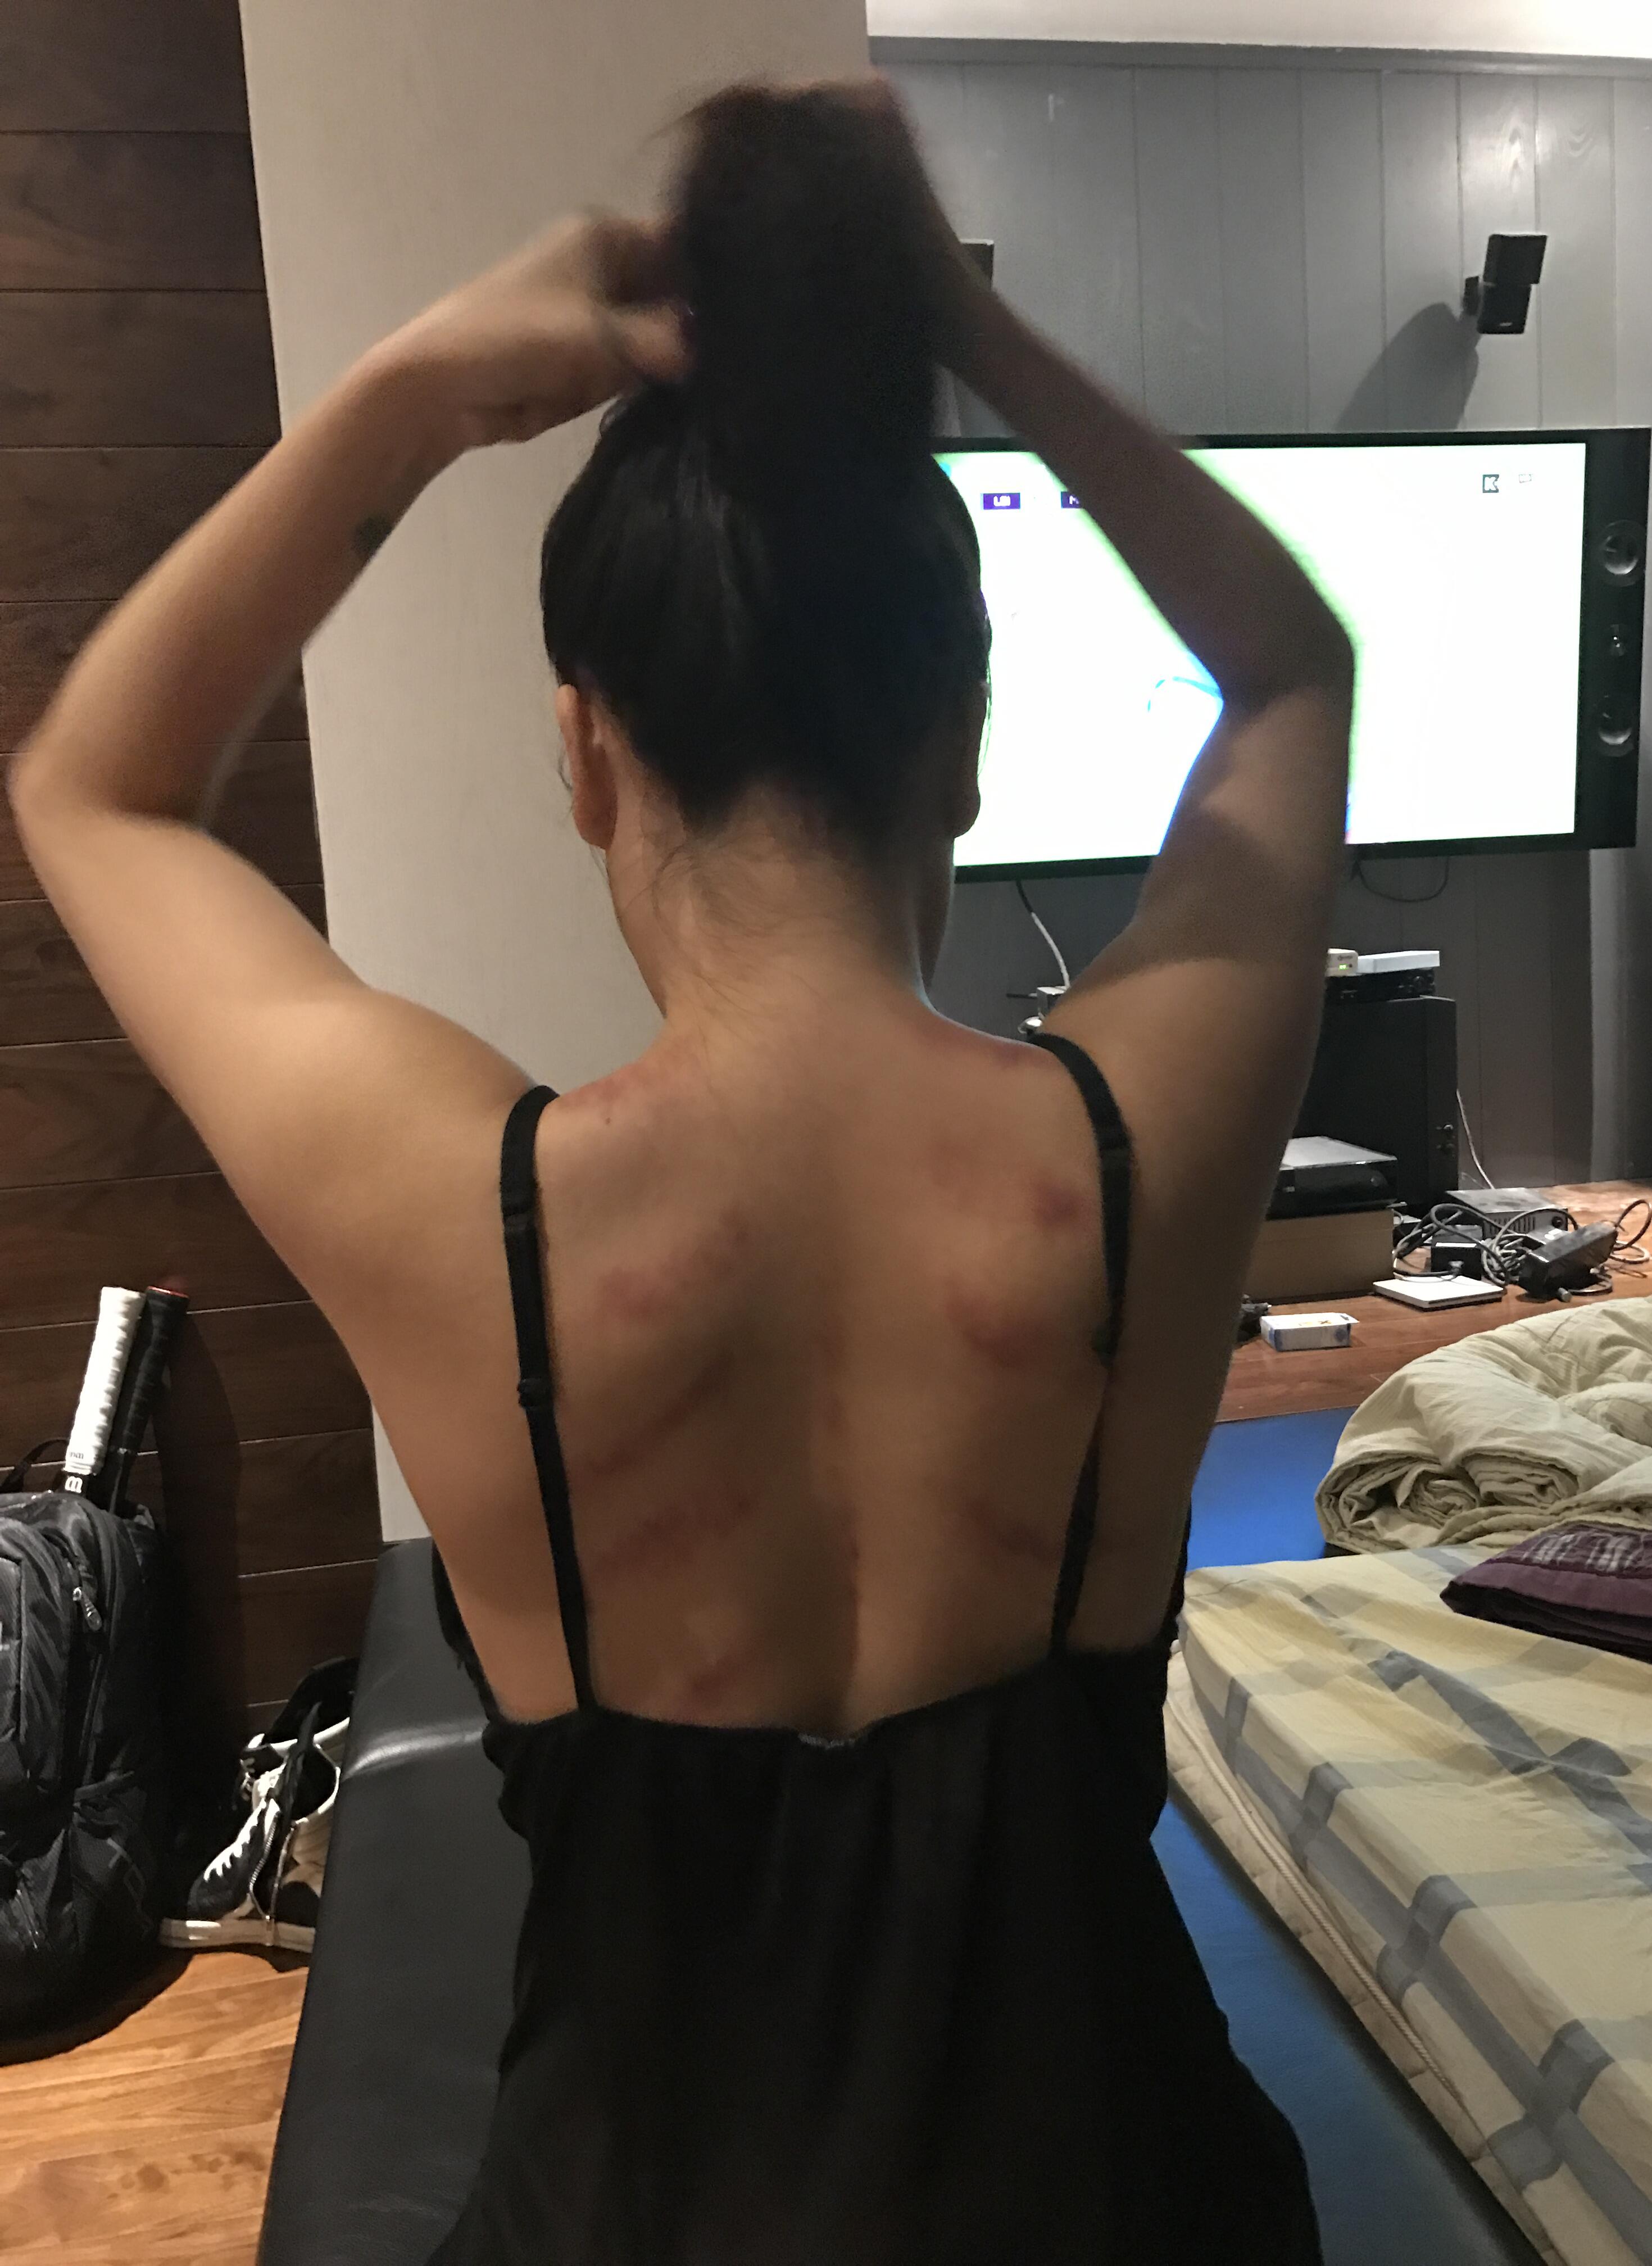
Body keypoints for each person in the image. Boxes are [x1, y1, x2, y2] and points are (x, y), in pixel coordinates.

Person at [9, 78, 1351, 2265]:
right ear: (967, 742)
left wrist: (420, 392)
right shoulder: (1138, 1146)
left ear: (581, 748)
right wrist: (966, 334)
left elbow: (99, 787)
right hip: (1130, 2201)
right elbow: (1295, 667)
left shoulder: (474, 1219)